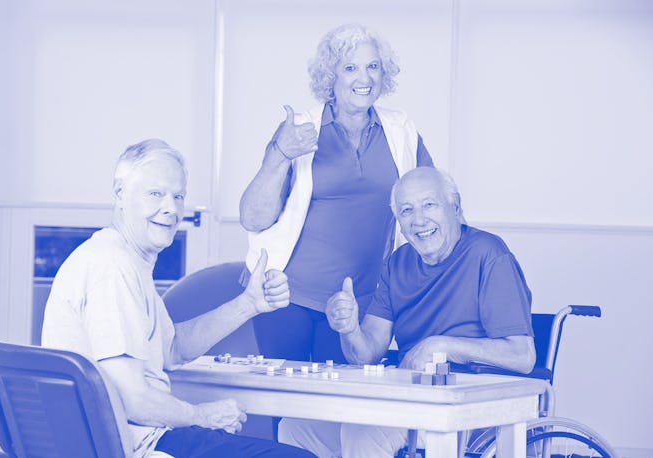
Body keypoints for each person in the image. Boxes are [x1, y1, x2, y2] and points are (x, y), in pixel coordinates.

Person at [41, 139, 315, 458]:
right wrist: (202, 416)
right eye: (155, 194)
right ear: (119, 194)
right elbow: (135, 401)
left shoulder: (124, 261)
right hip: (137, 444)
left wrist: (249, 303)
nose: (171, 208)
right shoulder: (111, 267)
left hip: (139, 437)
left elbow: (172, 348)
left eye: (178, 196)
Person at [278, 166, 536, 458]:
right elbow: (366, 353)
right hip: (410, 398)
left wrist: (442, 346)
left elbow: (522, 356)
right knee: (296, 427)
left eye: (429, 205)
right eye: (407, 210)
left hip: (470, 406)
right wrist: (350, 329)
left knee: (363, 432)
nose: (419, 220)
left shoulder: (489, 254)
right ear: (399, 221)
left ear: (455, 206)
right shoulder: (397, 263)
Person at [239, 23, 434, 364]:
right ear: (331, 77)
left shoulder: (401, 130)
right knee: (288, 408)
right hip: (288, 293)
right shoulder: (300, 130)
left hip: (358, 301)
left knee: (345, 405)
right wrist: (280, 155)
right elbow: (253, 218)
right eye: (350, 68)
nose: (365, 78)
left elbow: (433, 201)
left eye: (372, 66)